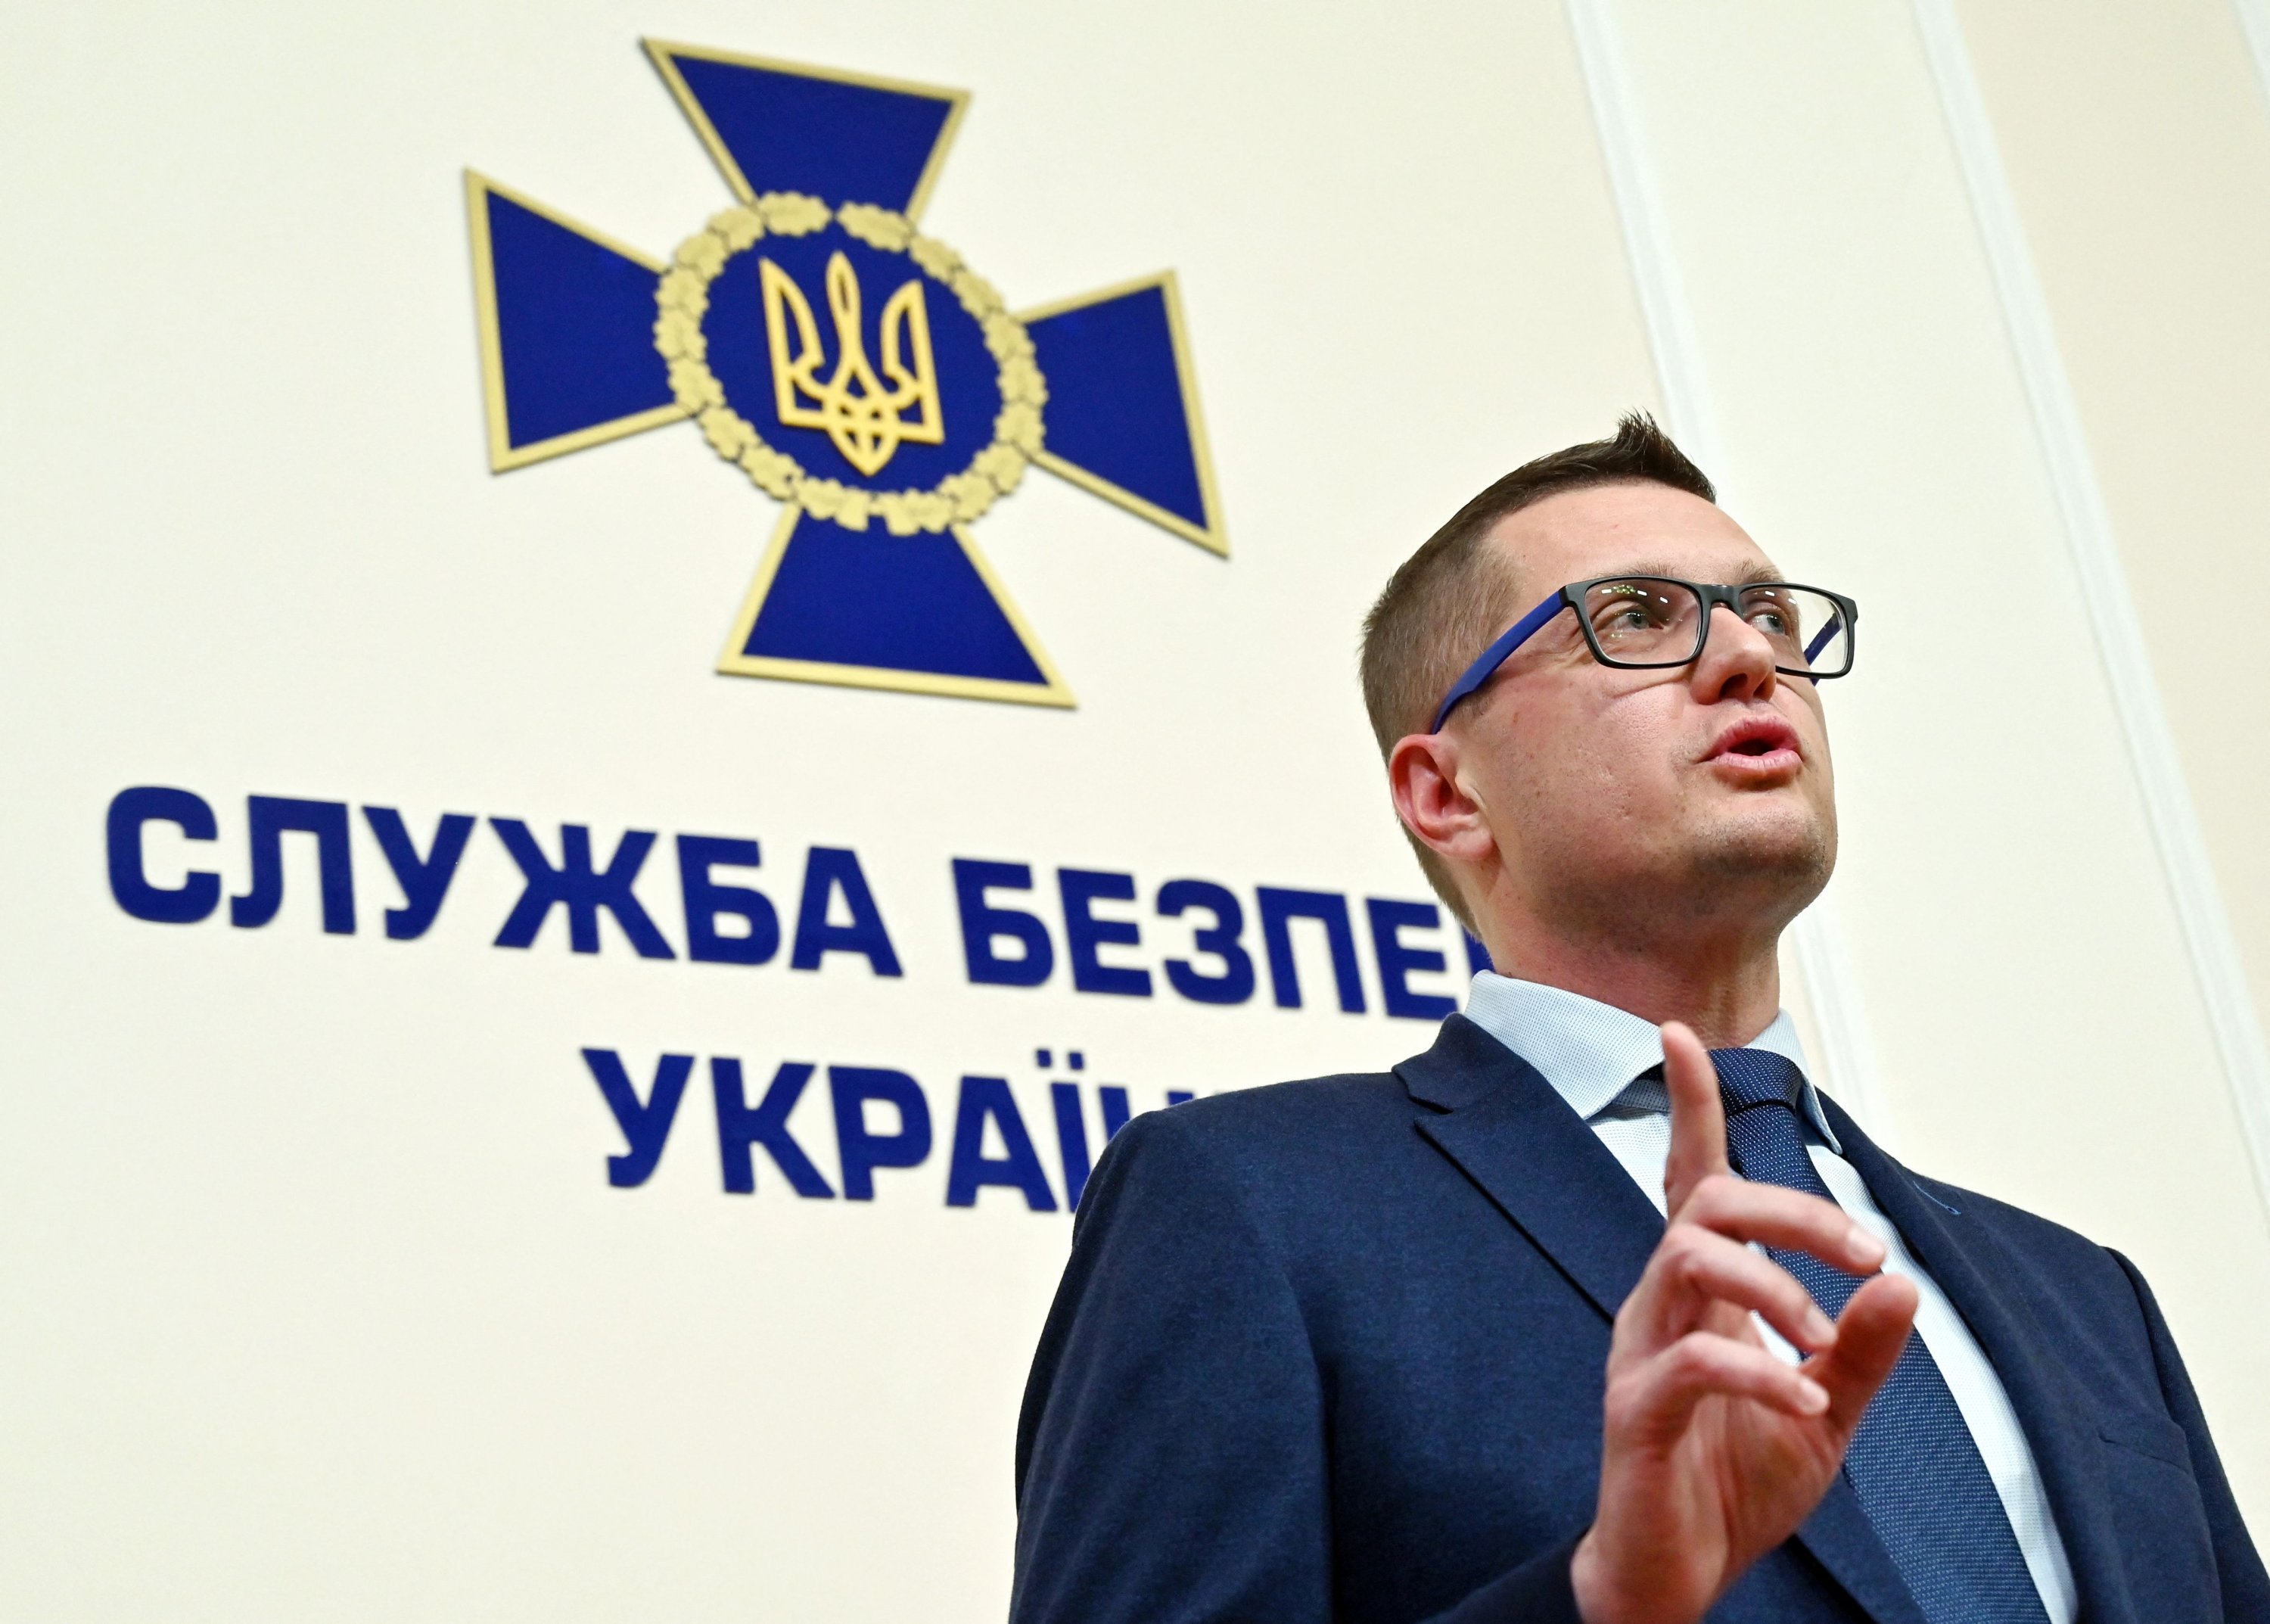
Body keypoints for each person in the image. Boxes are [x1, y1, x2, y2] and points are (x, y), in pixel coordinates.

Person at [1008, 416, 2268, 1624]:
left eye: (1771, 614)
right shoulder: (1253, 1202)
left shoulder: (2087, 1297)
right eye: (1635, 618)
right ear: (1447, 792)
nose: (1749, 658)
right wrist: (1602, 1595)